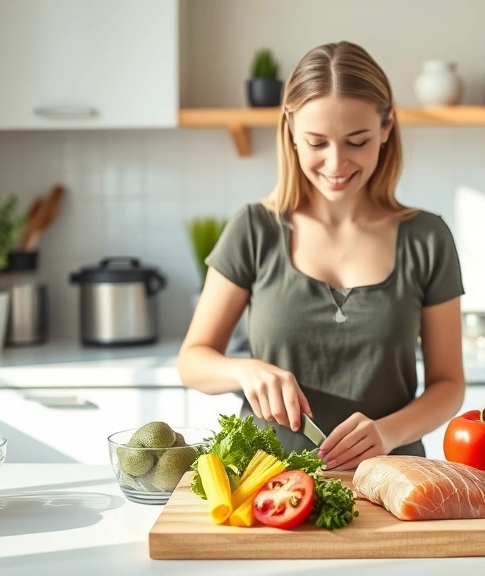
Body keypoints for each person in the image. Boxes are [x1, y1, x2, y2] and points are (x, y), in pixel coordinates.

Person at [177, 41, 465, 471]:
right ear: (291, 130)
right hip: (268, 482)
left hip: (391, 479)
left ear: (387, 127)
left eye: (357, 141)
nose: (336, 162)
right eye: (317, 142)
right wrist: (245, 372)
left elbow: (448, 385)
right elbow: (192, 360)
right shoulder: (255, 229)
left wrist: (389, 432)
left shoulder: (427, 238)